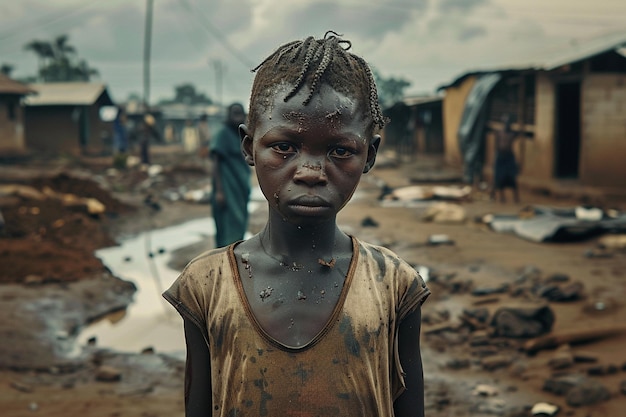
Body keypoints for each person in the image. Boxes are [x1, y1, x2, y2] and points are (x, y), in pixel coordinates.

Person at [163, 32, 430, 417]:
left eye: (340, 150)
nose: (310, 172)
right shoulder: (206, 286)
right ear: (248, 147)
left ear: (369, 155)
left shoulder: (394, 285)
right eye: (284, 147)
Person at [209, 102, 251, 248]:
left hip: (240, 186)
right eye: (235, 113)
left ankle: (234, 253)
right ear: (229, 115)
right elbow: (215, 163)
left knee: (240, 219)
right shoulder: (222, 134)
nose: (237, 117)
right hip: (227, 187)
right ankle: (225, 256)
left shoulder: (242, 136)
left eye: (240, 114)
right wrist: (219, 191)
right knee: (228, 221)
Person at [491, 113, 519, 203]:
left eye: (509, 123)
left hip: (509, 157)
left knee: (511, 178)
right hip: (500, 156)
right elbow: (496, 146)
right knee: (499, 178)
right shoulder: (499, 133)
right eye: (506, 122)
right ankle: (500, 197)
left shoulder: (512, 134)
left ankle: (516, 198)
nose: (507, 124)